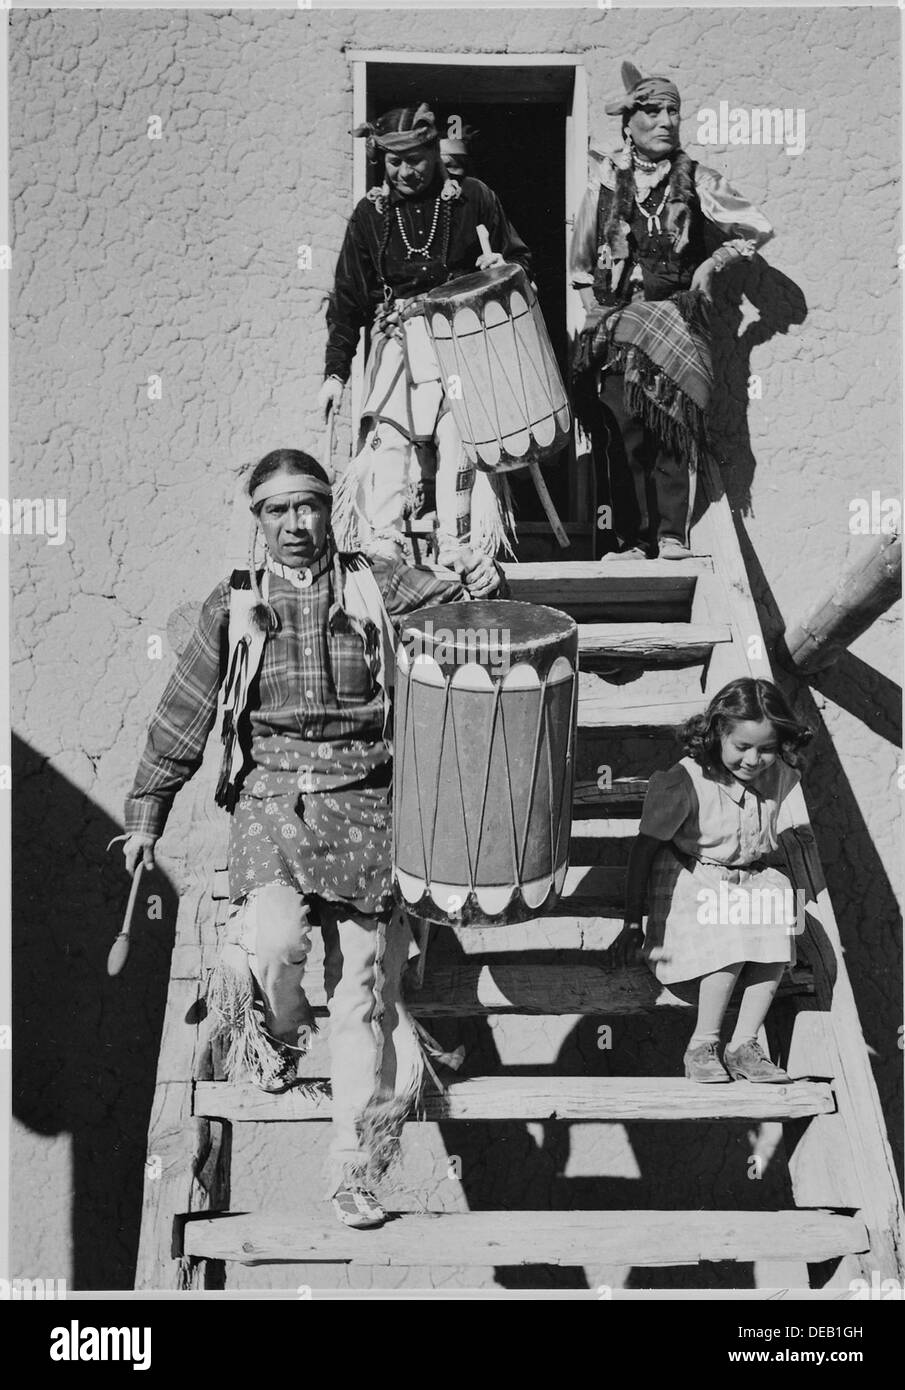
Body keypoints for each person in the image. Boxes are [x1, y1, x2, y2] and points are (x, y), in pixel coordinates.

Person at [121, 449, 503, 1228]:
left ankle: (352, 1173)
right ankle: (281, 1032)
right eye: (276, 510)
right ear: (256, 520)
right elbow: (184, 712)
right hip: (271, 799)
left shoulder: (380, 584)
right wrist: (145, 816)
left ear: (331, 509)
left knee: (362, 996)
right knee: (268, 941)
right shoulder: (232, 605)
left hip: (368, 802)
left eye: (308, 506)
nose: (295, 524)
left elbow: (467, 619)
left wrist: (481, 587)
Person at [570, 62, 773, 560]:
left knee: (673, 433)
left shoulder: (698, 179)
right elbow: (581, 265)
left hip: (677, 326)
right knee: (624, 435)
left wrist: (716, 262)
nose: (666, 121)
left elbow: (756, 227)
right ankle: (631, 541)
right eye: (654, 111)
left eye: (673, 111)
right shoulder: (605, 182)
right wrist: (598, 324)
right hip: (621, 330)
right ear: (628, 122)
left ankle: (671, 535)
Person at [319, 103, 533, 570]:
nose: (405, 171)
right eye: (394, 162)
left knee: (458, 432)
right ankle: (383, 540)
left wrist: (500, 268)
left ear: (435, 152)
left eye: (415, 159)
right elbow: (348, 298)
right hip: (398, 341)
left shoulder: (472, 198)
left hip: (464, 340)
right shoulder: (369, 215)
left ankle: (457, 542)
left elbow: (520, 263)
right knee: (388, 432)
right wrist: (336, 373)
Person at [612, 678, 812, 1084]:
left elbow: (805, 746)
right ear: (718, 731)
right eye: (742, 747)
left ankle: (744, 1045)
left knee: (780, 902)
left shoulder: (780, 772)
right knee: (731, 923)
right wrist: (632, 923)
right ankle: (702, 1044)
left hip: (746, 878)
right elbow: (644, 851)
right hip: (692, 876)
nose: (755, 759)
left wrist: (788, 738)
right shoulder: (685, 781)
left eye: (767, 748)